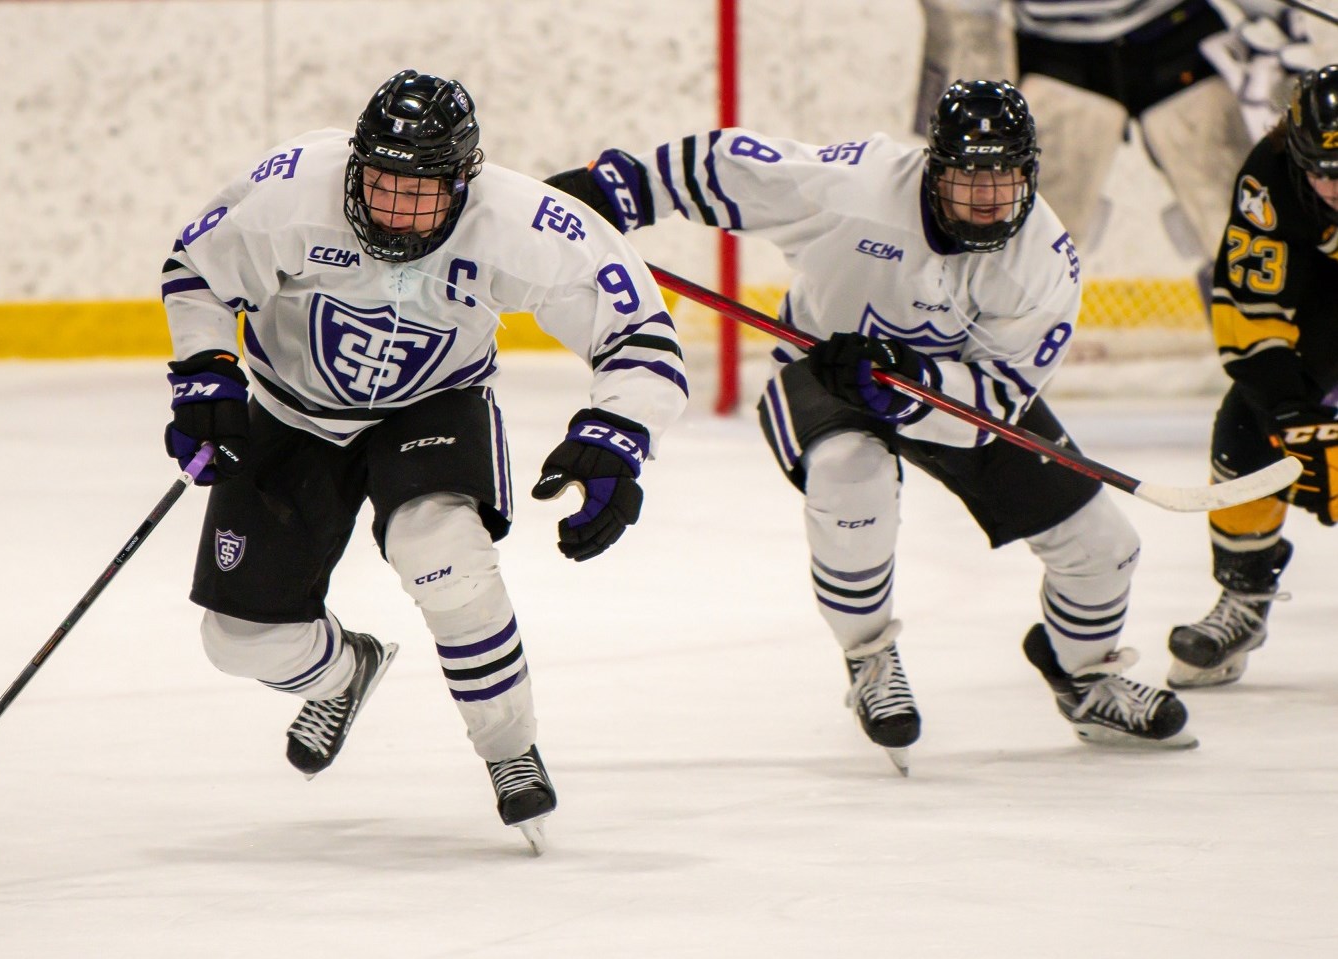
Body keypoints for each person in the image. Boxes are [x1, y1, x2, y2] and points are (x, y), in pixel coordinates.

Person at [546, 79, 1196, 773]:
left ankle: (1085, 679)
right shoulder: (851, 188)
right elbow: (727, 164)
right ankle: (868, 659)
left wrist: (915, 386)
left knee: (1104, 545)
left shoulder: (1042, 258)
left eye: (1002, 180)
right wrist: (617, 189)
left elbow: (997, 398)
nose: (984, 197)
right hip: (824, 368)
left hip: (957, 396)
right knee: (847, 477)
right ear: (931, 166)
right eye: (967, 178)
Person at [158, 69, 688, 849]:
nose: (396, 211)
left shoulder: (526, 222)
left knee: (443, 555)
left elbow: (640, 335)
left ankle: (509, 749)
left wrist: (615, 436)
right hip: (289, 410)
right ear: (353, 165)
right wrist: (203, 372)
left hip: (431, 406)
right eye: (379, 184)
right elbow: (196, 270)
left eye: (422, 191)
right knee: (239, 640)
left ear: (464, 180)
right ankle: (344, 674)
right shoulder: (290, 189)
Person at [914, 1, 1317, 302]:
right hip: (1057, 53)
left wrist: (1283, 29)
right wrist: (967, 102)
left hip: (1177, 35)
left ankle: (1277, 374)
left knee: (1244, 225)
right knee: (1026, 240)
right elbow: (963, 13)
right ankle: (999, 376)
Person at [1167, 64, 1338, 689]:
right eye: (1319, 169)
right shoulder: (1272, 173)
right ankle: (1244, 600)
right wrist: (1288, 407)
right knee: (1248, 424)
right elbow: (1248, 304)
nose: (1331, 186)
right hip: (1324, 299)